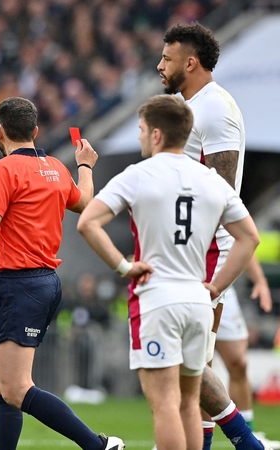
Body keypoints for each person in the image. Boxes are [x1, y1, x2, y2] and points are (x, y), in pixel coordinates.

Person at [0, 97, 124, 450]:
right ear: (35, 131)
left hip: (19, 284)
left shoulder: (3, 170)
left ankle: (97, 446)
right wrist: (85, 166)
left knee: (16, 388)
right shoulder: (56, 168)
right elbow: (85, 203)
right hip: (45, 282)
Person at [77, 94, 260, 450]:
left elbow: (88, 223)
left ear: (157, 134)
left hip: (157, 300)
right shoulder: (211, 180)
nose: (140, 136)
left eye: (142, 129)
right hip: (197, 300)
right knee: (190, 403)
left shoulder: (138, 175)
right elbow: (249, 238)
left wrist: (124, 267)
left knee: (164, 404)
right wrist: (215, 287)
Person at [158, 22, 276, 449]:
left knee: (185, 363)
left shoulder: (215, 108)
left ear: (190, 63)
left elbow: (222, 189)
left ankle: (247, 442)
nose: (160, 66)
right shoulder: (186, 106)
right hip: (189, 247)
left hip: (205, 250)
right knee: (195, 364)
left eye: (167, 59)